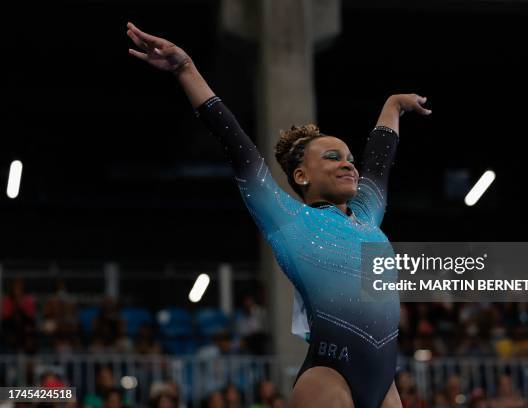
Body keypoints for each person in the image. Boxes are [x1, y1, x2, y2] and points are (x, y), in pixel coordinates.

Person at [127, 21, 431, 408]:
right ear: (301, 175)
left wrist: (393, 105)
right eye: (333, 157)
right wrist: (186, 69)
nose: (349, 165)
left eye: (349, 158)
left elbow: (379, 161)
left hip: (385, 384)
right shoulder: (288, 218)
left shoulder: (367, 215)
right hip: (328, 377)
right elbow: (237, 146)